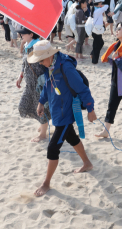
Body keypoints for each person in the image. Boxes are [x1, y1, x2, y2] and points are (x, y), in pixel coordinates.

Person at [31, 41, 96, 197]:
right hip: (56, 111)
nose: (40, 63)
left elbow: (82, 89)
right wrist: (41, 102)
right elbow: (47, 85)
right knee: (72, 138)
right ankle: (87, 163)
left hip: (66, 114)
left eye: (41, 60)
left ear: (50, 55)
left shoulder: (66, 67)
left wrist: (90, 109)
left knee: (53, 148)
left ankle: (46, 183)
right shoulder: (49, 67)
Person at [16, 28, 50, 143]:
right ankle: (43, 124)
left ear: (31, 34)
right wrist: (20, 76)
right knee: (23, 106)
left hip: (38, 84)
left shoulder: (37, 47)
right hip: (29, 84)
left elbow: (46, 64)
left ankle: (43, 134)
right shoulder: (27, 45)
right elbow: (24, 63)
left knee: (41, 107)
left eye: (23, 33)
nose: (20, 35)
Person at [89, 0, 109, 64]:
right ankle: (94, 61)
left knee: (100, 43)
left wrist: (100, 6)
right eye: (101, 3)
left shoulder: (96, 9)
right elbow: (107, 6)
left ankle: (92, 54)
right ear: (98, 3)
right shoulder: (97, 10)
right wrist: (102, 6)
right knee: (96, 46)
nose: (102, 3)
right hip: (96, 30)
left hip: (97, 30)